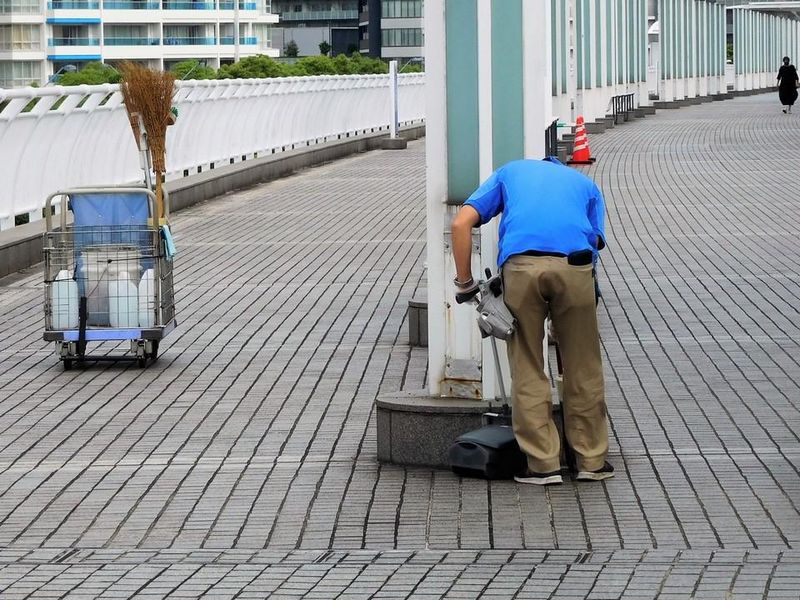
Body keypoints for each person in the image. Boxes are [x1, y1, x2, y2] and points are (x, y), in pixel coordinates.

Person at [451, 157, 612, 486]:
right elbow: (595, 242)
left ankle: (542, 465)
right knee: (583, 363)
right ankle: (591, 462)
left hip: (522, 266)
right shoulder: (585, 185)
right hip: (575, 265)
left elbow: (460, 224)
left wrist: (465, 283)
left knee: (527, 361)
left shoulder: (510, 173)